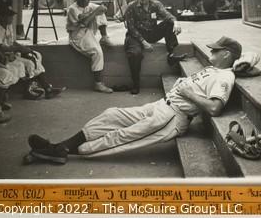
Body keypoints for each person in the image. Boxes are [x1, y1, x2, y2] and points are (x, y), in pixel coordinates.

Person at [26, 36, 242, 164]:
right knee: (112, 114)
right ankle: (60, 147)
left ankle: (61, 151)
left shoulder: (225, 76)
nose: (211, 50)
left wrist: (189, 94)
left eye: (216, 49)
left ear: (226, 55)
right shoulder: (214, 68)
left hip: (173, 117)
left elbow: (214, 108)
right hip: (161, 106)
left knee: (123, 135)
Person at [0, 3, 65, 99]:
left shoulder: (9, 26)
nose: (11, 18)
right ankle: (29, 90)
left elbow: (12, 42)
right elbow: (0, 47)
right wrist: (19, 49)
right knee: (29, 63)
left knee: (36, 55)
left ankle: (46, 88)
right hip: (5, 56)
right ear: (1, 16)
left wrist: (25, 48)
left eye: (11, 15)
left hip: (14, 52)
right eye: (8, 15)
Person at [124, 0, 186, 94]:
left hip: (151, 32)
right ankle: (136, 84)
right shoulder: (131, 6)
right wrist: (143, 42)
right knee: (135, 54)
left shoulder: (156, 4)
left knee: (169, 23)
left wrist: (176, 22)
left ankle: (171, 55)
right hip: (135, 36)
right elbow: (131, 27)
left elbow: (167, 15)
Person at [66, 0, 113, 93]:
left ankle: (104, 37)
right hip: (77, 36)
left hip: (88, 32)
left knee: (99, 12)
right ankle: (98, 84)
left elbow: (103, 8)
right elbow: (84, 23)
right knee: (97, 52)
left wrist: (97, 11)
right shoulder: (72, 9)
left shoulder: (89, 5)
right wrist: (93, 13)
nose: (86, 1)